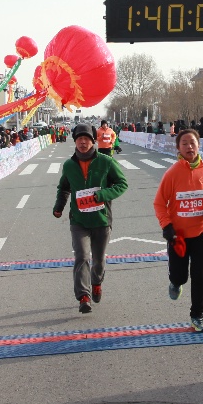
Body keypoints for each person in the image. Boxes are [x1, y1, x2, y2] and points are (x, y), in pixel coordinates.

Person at [154, 128, 203, 333]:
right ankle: (175, 283)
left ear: (198, 145)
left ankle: (197, 316)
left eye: (192, 143)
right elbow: (159, 203)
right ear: (178, 148)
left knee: (201, 275)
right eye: (184, 143)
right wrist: (166, 225)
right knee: (180, 276)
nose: (189, 147)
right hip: (179, 235)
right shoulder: (172, 173)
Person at [53, 123, 128, 313]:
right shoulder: (69, 165)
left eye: (86, 139)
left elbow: (122, 184)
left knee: (99, 261)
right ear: (75, 142)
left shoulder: (106, 161)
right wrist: (59, 206)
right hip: (79, 221)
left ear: (93, 141)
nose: (83, 142)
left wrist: (103, 195)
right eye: (79, 139)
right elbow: (64, 188)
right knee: (82, 256)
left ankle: (96, 283)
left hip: (101, 220)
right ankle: (83, 296)